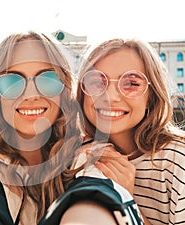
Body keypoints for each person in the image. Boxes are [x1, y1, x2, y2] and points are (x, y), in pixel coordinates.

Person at [0, 31, 143, 225]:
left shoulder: (92, 157)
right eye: (12, 81)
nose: (31, 94)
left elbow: (95, 204)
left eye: (48, 79)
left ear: (63, 91)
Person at [76, 37, 185, 225]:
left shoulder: (177, 161)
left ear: (151, 96)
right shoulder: (75, 156)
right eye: (96, 82)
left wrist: (125, 199)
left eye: (132, 83)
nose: (110, 96)